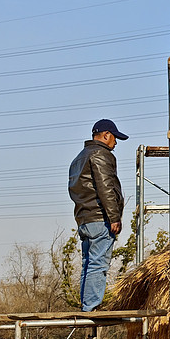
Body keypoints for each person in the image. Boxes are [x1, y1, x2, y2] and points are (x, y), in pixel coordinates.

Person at [68, 119, 128, 311]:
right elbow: (105, 187)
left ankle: (86, 305)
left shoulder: (79, 158)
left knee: (88, 264)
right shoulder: (101, 154)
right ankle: (92, 307)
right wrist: (114, 217)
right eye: (115, 138)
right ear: (106, 135)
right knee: (98, 264)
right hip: (100, 218)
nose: (116, 143)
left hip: (84, 218)